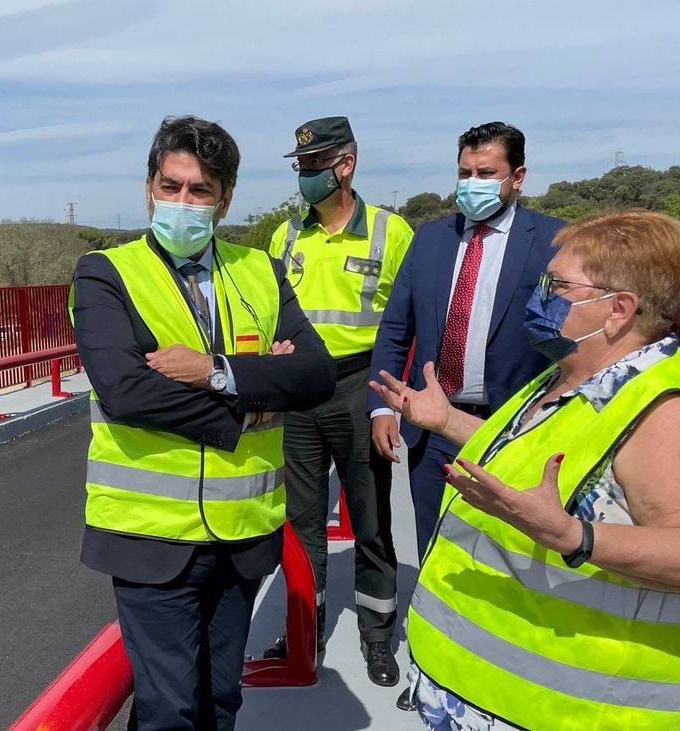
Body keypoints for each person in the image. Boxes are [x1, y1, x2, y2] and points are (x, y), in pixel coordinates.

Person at [370, 209, 680, 731]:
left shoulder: (669, 416)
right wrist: (446, 421)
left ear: (618, 309)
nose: (540, 296)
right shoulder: (568, 376)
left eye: (557, 286)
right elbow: (537, 456)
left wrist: (571, 535)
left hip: (568, 710)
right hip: (480, 690)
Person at [70, 115, 335, 731]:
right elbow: (127, 390)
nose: (182, 203)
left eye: (199, 192)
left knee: (221, 701)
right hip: (150, 537)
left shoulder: (260, 271)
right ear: (149, 188)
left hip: (242, 533)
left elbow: (317, 375)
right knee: (170, 712)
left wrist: (214, 371)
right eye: (170, 187)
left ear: (225, 200)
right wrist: (251, 398)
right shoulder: (105, 273)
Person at [260, 116, 414, 687]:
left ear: (344, 165)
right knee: (299, 523)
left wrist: (387, 400)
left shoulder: (390, 232)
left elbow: (406, 320)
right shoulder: (285, 237)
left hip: (359, 385)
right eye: (299, 165)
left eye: (312, 165)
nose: (303, 175)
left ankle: (377, 638)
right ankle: (304, 633)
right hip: (298, 391)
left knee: (370, 518)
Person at [368, 122, 565, 563]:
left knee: (506, 555)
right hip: (432, 429)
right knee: (435, 553)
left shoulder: (555, 242)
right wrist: (382, 407)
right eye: (464, 173)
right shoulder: (430, 240)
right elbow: (396, 329)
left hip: (510, 428)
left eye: (485, 173)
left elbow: (571, 337)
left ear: (517, 177)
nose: (471, 184)